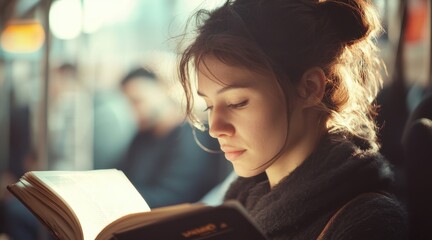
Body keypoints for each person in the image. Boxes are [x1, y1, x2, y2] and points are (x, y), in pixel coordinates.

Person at [178, 0, 408, 239]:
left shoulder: (369, 223)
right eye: (209, 106)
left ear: (309, 87)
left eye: (237, 103)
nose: (215, 128)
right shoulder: (238, 207)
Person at [118, 67, 231, 208]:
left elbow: (176, 198)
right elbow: (122, 177)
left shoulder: (192, 136)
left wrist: (117, 200)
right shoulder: (142, 137)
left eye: (137, 101)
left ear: (163, 89)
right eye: (127, 104)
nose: (133, 111)